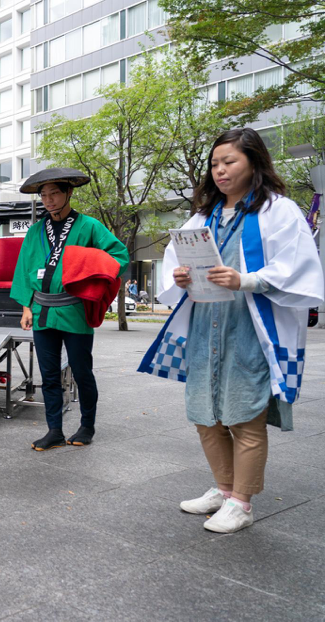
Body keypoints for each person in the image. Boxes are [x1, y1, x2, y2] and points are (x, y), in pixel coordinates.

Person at [139, 128, 324, 533]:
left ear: (254, 162)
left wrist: (247, 280)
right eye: (215, 163)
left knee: (245, 416)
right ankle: (224, 489)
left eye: (230, 161)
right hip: (207, 326)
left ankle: (242, 502)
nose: (220, 171)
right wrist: (180, 275)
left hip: (251, 328)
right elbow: (175, 262)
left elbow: (300, 268)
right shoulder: (204, 215)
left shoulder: (279, 210)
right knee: (205, 414)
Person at [11, 168, 130, 451]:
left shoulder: (89, 226)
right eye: (44, 195)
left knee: (81, 371)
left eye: (54, 193)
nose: (48, 200)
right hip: (42, 310)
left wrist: (86, 268)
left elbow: (119, 256)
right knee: (48, 374)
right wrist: (26, 307)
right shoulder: (35, 230)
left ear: (69, 193)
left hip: (74, 310)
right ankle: (54, 430)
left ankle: (87, 425)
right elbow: (24, 268)